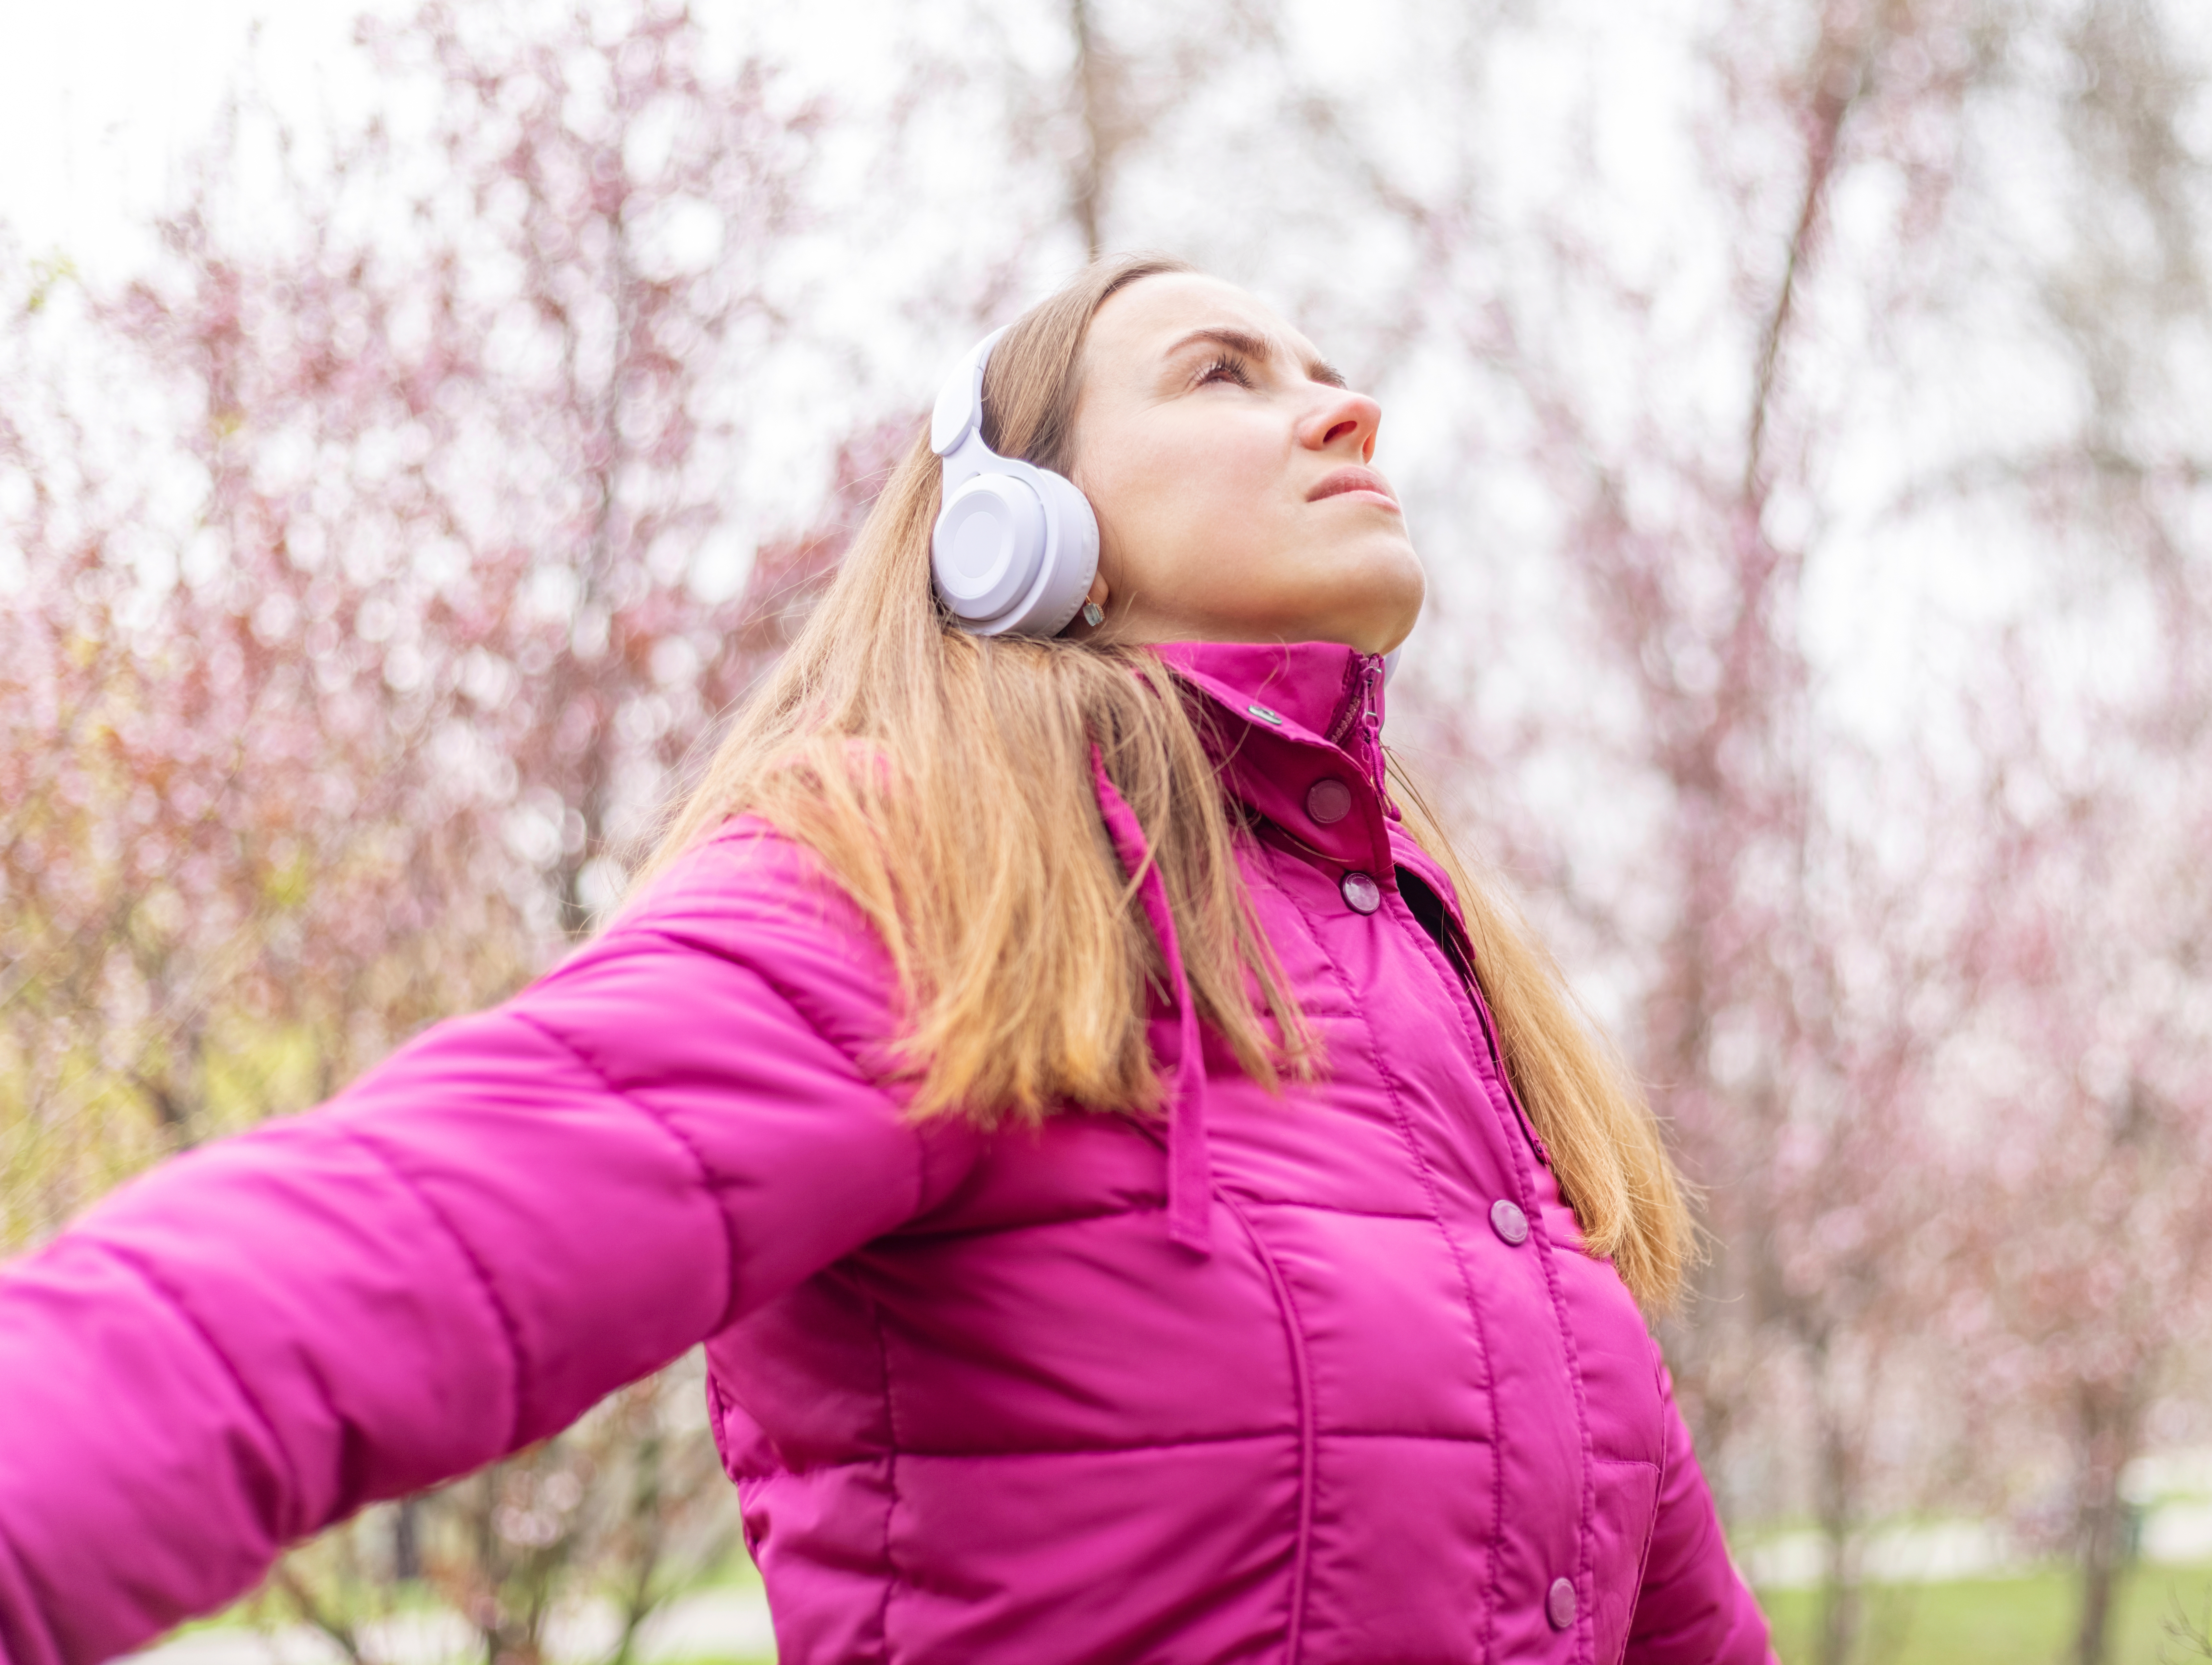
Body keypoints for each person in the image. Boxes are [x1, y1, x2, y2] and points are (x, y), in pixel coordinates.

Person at [0, 254, 1775, 1665]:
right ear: (1017, 533)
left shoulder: (1442, 989)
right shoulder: (944, 877)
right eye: (1227, 371)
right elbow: (407, 1237)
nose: (1340, 407)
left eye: (1322, 368)